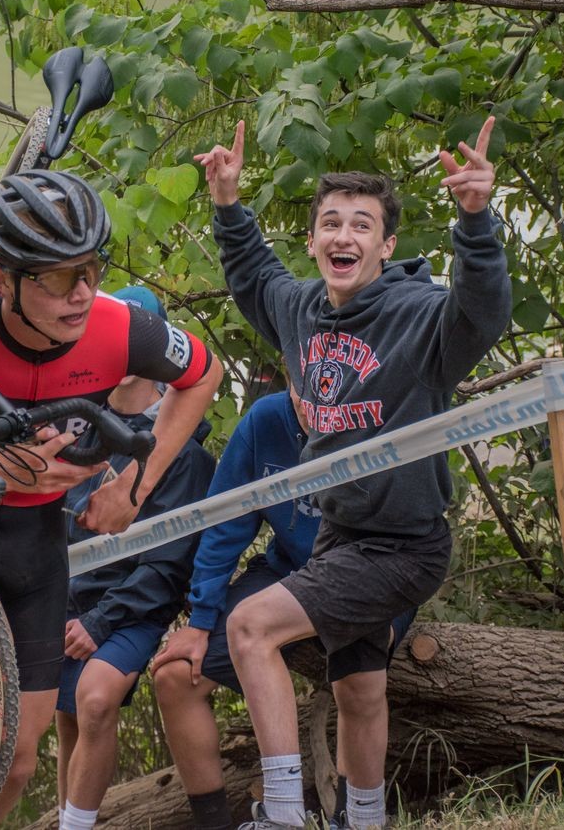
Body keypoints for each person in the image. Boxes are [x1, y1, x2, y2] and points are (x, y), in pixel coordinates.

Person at [0, 170, 223, 828]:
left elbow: (203, 373)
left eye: (90, 269)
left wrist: (133, 489)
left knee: (17, 763)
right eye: (56, 276)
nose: (81, 292)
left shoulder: (116, 326)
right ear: (2, 276)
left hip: (34, 543)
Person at [194, 117, 510, 829]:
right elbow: (254, 277)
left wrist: (476, 219)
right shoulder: (303, 309)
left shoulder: (419, 315)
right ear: (313, 240)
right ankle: (363, 819)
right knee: (359, 692)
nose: (344, 236)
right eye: (330, 223)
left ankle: (281, 815)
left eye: (361, 225)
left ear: (385, 245)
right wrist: (226, 202)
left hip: (404, 543)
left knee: (249, 627)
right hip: (341, 534)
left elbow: (482, 314)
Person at [151, 386, 414, 830]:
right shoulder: (265, 420)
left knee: (357, 678)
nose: (310, 403)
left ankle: (358, 819)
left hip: (370, 569)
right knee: (175, 675)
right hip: (288, 572)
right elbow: (224, 523)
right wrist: (200, 620)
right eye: (300, 390)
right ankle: (238, 821)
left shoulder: (380, 409)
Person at [54, 286, 217, 830]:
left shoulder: (183, 450)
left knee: (95, 699)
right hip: (63, 604)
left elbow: (171, 564)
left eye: (133, 342)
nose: (121, 356)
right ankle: (70, 820)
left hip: (132, 608)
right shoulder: (75, 430)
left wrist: (101, 621)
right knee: (67, 717)